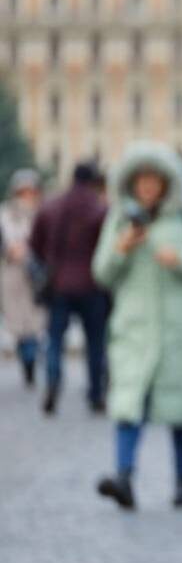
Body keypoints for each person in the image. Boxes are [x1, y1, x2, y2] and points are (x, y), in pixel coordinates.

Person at [91, 142, 182, 509]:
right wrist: (122, 248)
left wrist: (180, 258)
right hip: (135, 329)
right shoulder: (120, 218)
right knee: (129, 405)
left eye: (154, 179)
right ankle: (124, 478)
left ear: (165, 182)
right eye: (141, 179)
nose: (147, 186)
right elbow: (101, 273)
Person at [29, 162, 108, 414]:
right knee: (95, 342)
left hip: (59, 283)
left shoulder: (52, 205)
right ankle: (96, 393)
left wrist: (51, 263)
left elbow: (35, 243)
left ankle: (53, 383)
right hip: (92, 283)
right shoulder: (100, 208)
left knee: (54, 341)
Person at [0, 169, 45, 387]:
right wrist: (9, 250)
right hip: (12, 274)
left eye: (31, 191)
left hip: (36, 274)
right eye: (23, 192)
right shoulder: (4, 214)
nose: (27, 196)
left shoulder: (43, 213)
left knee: (36, 321)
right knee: (17, 323)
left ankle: (31, 358)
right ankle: (26, 359)